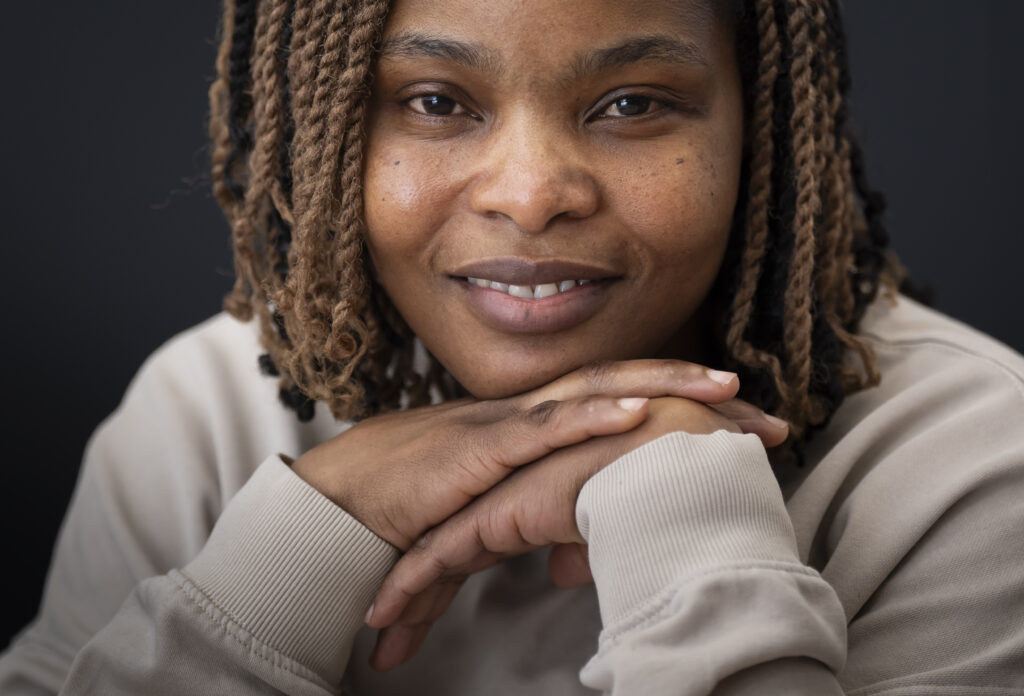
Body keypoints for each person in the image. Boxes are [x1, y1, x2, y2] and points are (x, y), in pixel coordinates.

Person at [2, 0, 1022, 693]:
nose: (531, 194)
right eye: (436, 102)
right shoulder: (208, 414)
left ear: (756, 131)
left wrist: (678, 502)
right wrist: (307, 532)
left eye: (632, 103)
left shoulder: (970, 460)